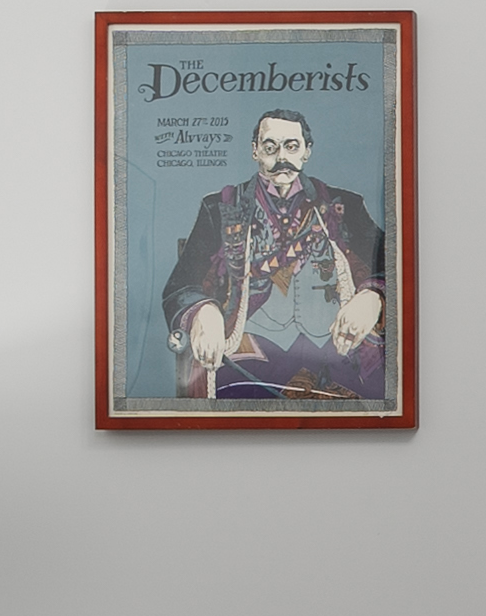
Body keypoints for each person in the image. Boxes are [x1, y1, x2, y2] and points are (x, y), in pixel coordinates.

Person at [160, 107, 389, 402]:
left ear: (307, 151)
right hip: (250, 350)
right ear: (255, 151)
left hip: (336, 348)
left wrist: (372, 297)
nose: (282, 157)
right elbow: (181, 286)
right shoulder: (220, 207)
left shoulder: (344, 206)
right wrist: (203, 312)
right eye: (270, 147)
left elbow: (393, 267)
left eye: (292, 146)